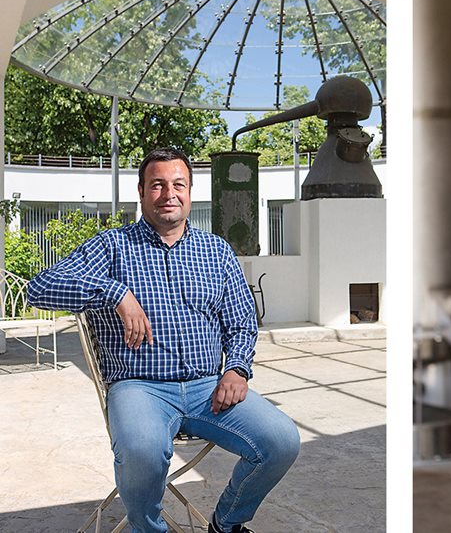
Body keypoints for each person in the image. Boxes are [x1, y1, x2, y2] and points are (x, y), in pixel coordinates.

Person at [27, 148, 301, 533]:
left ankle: (226, 524)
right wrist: (114, 293)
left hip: (210, 388)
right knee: (141, 451)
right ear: (141, 192)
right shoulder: (111, 247)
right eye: (157, 185)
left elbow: (241, 323)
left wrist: (237, 368)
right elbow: (39, 289)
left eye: (178, 184)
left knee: (281, 440)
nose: (168, 193)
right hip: (139, 387)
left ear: (190, 192)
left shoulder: (216, 251)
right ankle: (150, 529)